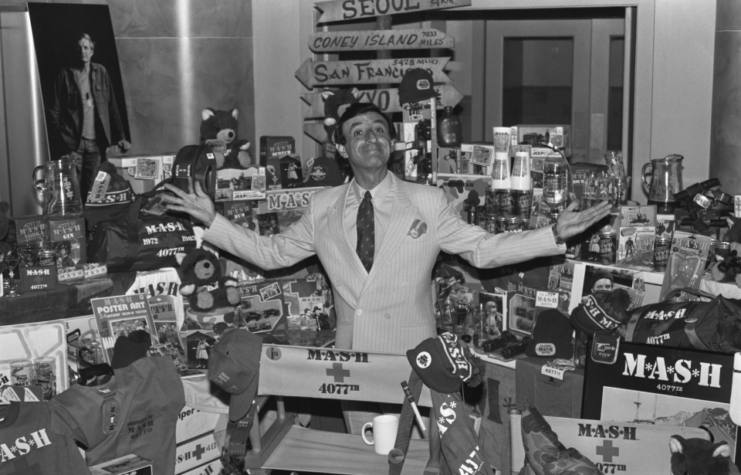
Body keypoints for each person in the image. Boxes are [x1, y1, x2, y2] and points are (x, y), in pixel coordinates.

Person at [163, 102, 610, 428]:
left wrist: (553, 234)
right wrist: (213, 221)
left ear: (392, 142)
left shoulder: (428, 200)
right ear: (342, 149)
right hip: (351, 362)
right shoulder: (322, 206)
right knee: (365, 454)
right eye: (357, 132)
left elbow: (484, 250)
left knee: (418, 457)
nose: (370, 138)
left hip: (417, 362)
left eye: (378, 129)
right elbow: (271, 254)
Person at [48, 32, 131, 201]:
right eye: (79, 48)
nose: (82, 51)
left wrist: (120, 136)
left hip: (96, 144)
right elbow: (54, 111)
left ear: (92, 51)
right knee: (73, 191)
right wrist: (63, 139)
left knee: (95, 190)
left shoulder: (101, 72)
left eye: (86, 47)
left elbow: (112, 106)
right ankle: (78, 226)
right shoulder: (64, 75)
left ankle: (92, 226)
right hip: (73, 145)